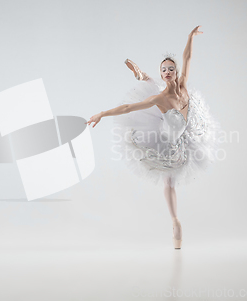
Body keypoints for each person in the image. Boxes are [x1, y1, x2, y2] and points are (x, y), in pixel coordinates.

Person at [86, 25, 221, 249]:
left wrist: (190, 37)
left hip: (186, 133)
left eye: (170, 69)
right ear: (162, 73)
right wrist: (102, 113)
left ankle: (143, 76)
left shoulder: (184, 86)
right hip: (166, 139)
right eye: (164, 70)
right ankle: (175, 222)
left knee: (154, 88)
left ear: (176, 72)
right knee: (169, 179)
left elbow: (187, 57)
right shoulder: (160, 99)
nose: (167, 72)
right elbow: (129, 107)